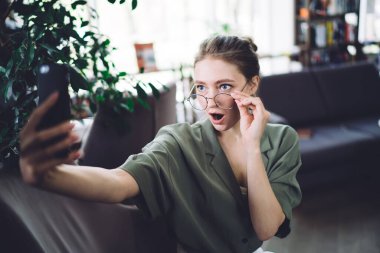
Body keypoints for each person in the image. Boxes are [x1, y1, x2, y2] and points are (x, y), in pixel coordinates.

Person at [19, 35, 302, 253]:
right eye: (201, 87)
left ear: (252, 86)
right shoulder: (178, 141)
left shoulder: (281, 140)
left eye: (224, 86)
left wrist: (252, 147)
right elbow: (118, 182)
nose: (210, 100)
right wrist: (49, 176)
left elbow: (265, 228)